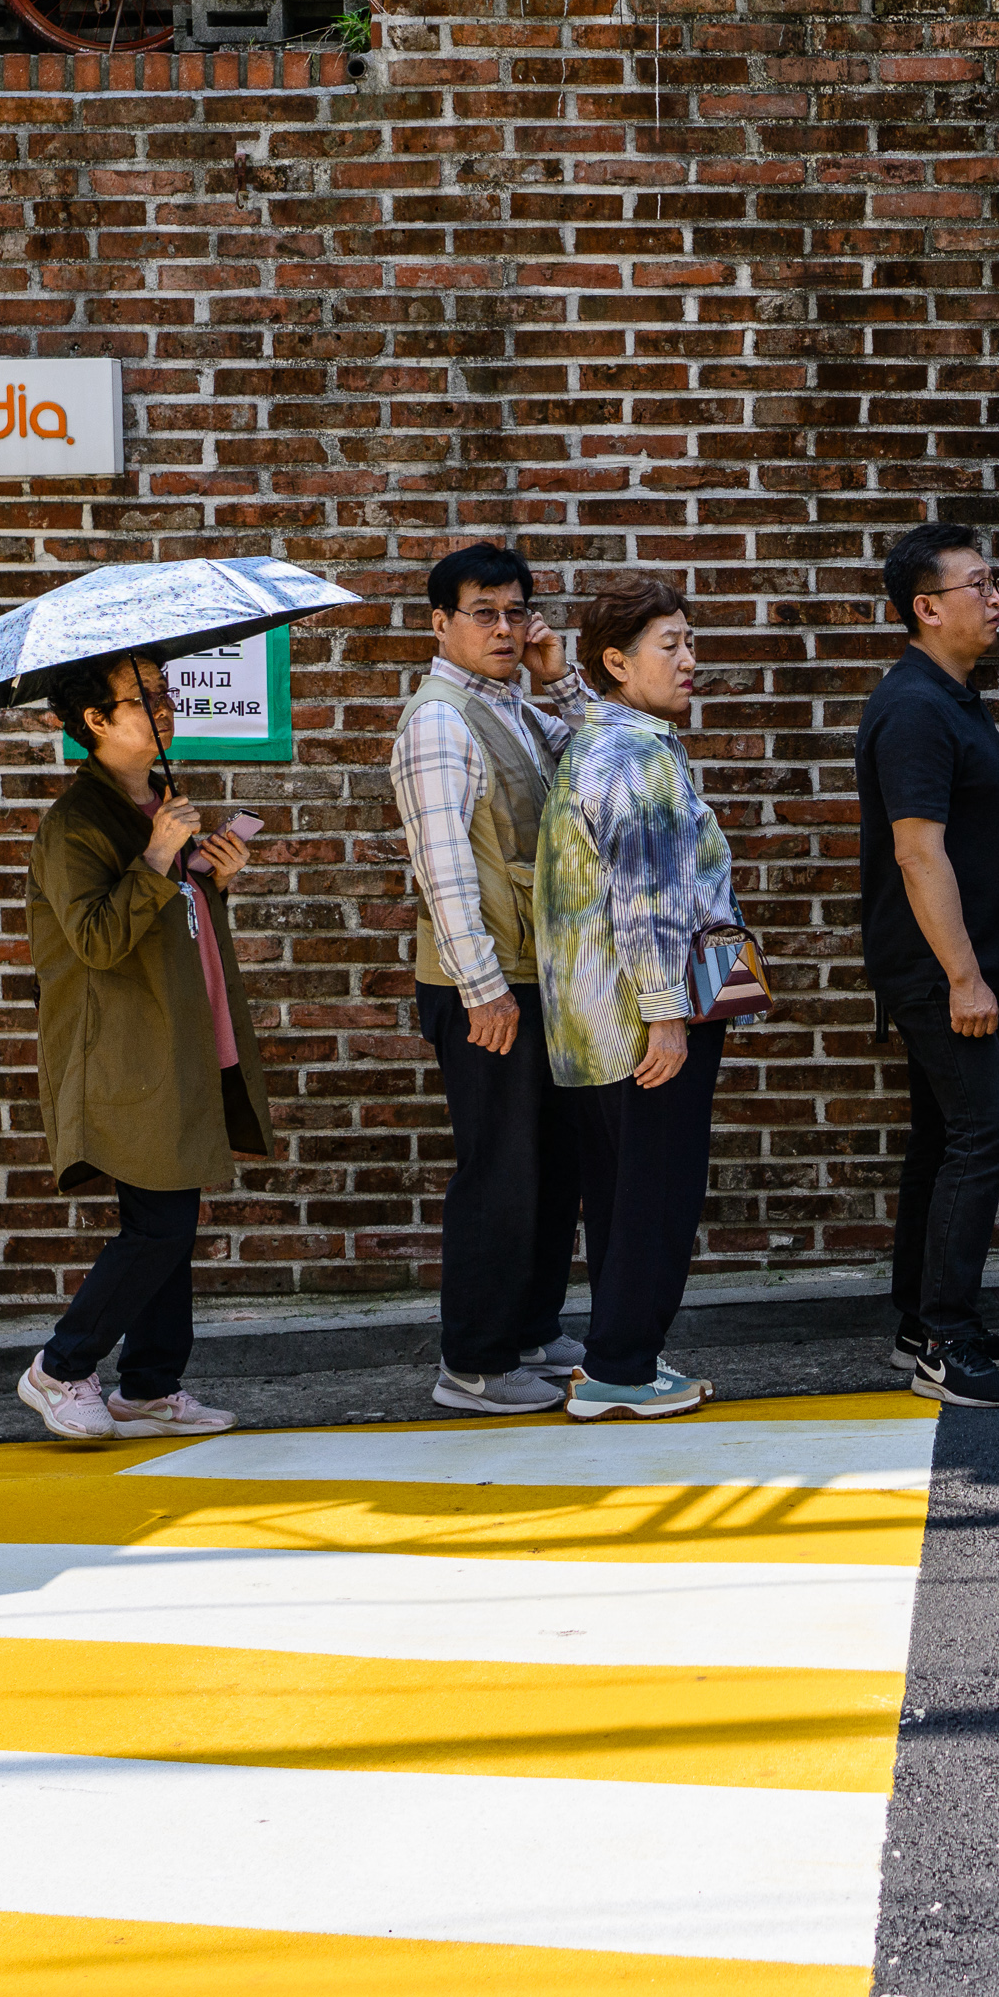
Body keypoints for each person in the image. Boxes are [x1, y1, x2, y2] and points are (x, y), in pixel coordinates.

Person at [16, 654, 265, 1444]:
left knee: (173, 1214)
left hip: (180, 1037)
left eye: (162, 690)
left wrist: (214, 878)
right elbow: (93, 939)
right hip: (123, 1050)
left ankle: (152, 1386)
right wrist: (159, 857)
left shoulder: (159, 803)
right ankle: (59, 1367)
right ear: (95, 721)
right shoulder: (75, 825)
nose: (165, 704)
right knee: (158, 1225)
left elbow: (170, 921)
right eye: (144, 697)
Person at [539, 576, 750, 1420]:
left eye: (689, 641)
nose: (689, 659)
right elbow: (648, 901)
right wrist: (668, 1019)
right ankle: (624, 1368)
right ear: (618, 662)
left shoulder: (594, 743)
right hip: (645, 1021)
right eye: (671, 645)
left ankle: (616, 1359)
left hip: (588, 1024)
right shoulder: (639, 758)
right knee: (657, 1196)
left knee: (619, 1195)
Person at [391, 541, 595, 1415]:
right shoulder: (440, 720)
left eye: (517, 611)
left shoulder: (513, 704)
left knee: (550, 1166)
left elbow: (605, 756)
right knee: (500, 1173)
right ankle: (473, 1362)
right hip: (486, 987)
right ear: (442, 625)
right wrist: (483, 992)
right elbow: (444, 872)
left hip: (530, 976)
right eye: (486, 613)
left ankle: (529, 1330)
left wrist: (561, 678)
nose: (506, 628)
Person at [859, 521, 999, 1411]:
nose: (997, 596)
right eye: (980, 585)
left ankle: (916, 1323)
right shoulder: (915, 709)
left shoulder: (950, 697)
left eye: (995, 581)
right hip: (938, 971)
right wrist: (965, 976)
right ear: (927, 607)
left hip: (953, 968)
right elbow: (918, 854)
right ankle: (945, 1339)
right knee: (985, 1131)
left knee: (942, 1138)